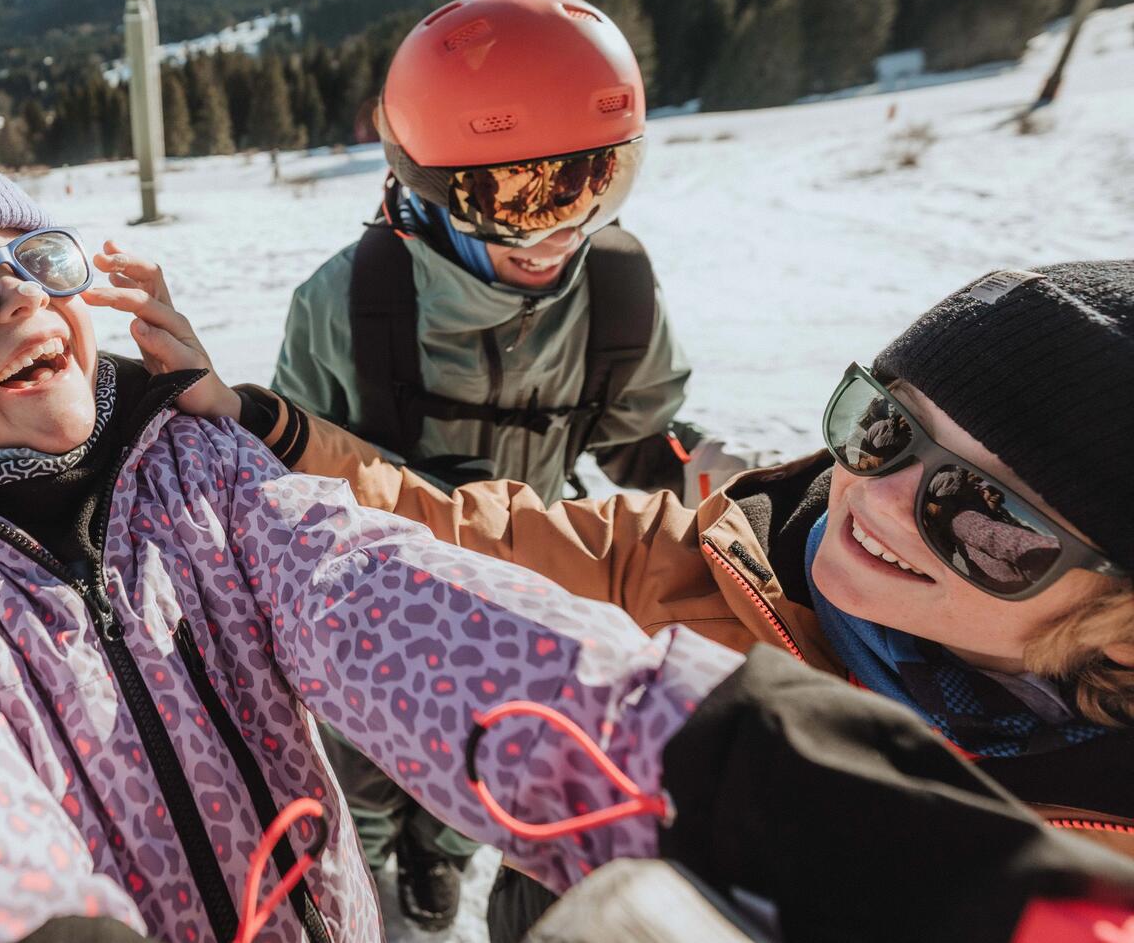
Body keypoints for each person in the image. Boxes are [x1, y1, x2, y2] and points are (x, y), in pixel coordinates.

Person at [0, 144, 744, 943]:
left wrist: (707, 758)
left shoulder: (200, 467)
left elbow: (388, 596)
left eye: (39, 261)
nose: (20, 300)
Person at [101, 252, 1134, 863]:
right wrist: (251, 419)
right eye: (882, 428)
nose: (885, 499)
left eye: (988, 517)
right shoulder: (707, 564)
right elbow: (451, 523)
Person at [270, 0, 710, 928]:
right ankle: (370, 858)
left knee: (496, 752)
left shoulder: (619, 295)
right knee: (368, 762)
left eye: (598, 184)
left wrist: (703, 484)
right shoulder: (350, 306)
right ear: (429, 183)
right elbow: (291, 470)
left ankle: (442, 854)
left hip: (528, 582)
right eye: (523, 198)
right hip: (375, 593)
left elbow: (640, 433)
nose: (562, 233)